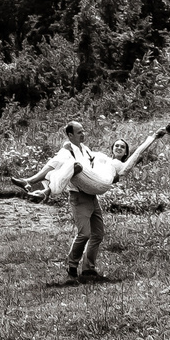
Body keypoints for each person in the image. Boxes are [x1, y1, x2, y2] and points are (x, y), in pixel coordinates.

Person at [55, 120, 105, 281]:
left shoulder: (86, 150)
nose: (83, 134)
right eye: (79, 132)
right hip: (78, 196)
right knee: (84, 233)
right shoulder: (67, 151)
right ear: (70, 135)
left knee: (97, 234)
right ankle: (72, 267)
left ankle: (88, 269)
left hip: (92, 196)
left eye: (83, 131)